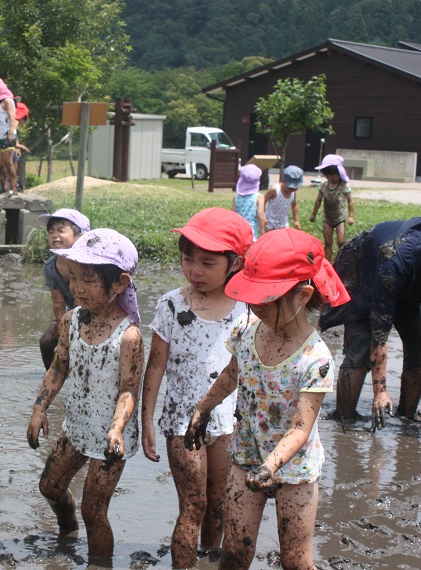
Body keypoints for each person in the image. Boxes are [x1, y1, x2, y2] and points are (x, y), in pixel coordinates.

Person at [184, 228, 350, 570]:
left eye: (266, 299)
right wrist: (203, 408)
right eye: (252, 296)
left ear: (302, 296)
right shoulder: (247, 332)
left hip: (294, 467)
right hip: (247, 455)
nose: (255, 306)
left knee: (295, 560)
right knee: (235, 553)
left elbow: (301, 427)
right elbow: (231, 375)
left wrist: (271, 466)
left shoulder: (314, 359)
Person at [140, 207, 252, 568]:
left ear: (234, 264)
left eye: (207, 263)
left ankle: (206, 557)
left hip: (227, 420)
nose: (194, 271)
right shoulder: (172, 305)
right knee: (194, 504)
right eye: (188, 260)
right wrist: (146, 422)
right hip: (180, 421)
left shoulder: (247, 310)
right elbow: (155, 367)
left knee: (219, 502)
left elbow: (249, 370)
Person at [26, 228, 143, 560]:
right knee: (49, 486)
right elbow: (58, 368)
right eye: (73, 277)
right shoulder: (71, 321)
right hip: (77, 426)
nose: (75, 287)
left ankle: (98, 564)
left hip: (110, 436)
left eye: (87, 279)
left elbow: (128, 390)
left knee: (95, 511)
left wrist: (117, 428)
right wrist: (40, 408)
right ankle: (67, 531)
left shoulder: (128, 335)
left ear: (119, 283)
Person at [320, 218, 421, 427]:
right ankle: (344, 419)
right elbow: (380, 332)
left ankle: (406, 418)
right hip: (363, 271)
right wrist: (380, 391)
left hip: (408, 284)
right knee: (359, 349)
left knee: (418, 350)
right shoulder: (395, 261)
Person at [38, 208, 91, 369]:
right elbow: (58, 303)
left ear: (80, 236)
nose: (55, 235)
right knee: (46, 341)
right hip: (71, 311)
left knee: (82, 343)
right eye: (51, 231)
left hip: (94, 309)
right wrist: (62, 326)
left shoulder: (87, 264)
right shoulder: (51, 267)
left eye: (61, 230)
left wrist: (72, 329)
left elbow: (83, 300)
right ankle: (53, 376)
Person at [309, 154, 354, 261]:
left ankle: (342, 260)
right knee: (328, 242)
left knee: (341, 242)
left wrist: (351, 216)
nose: (332, 178)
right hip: (327, 218)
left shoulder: (343, 185)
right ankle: (327, 263)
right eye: (329, 175)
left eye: (334, 175)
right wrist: (314, 213)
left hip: (340, 218)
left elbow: (350, 201)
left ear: (339, 173)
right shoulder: (324, 186)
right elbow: (318, 200)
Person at [257, 165, 302, 235]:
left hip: (283, 224)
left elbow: (294, 205)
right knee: (269, 241)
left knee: (284, 242)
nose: (291, 190)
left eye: (295, 188)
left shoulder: (293, 193)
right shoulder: (274, 190)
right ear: (283, 181)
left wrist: (296, 220)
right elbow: (263, 201)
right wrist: (263, 217)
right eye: (290, 188)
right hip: (269, 223)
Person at [232, 164, 261, 240]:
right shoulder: (259, 197)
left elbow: (233, 217)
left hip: (238, 235)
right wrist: (263, 232)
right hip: (252, 235)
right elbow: (260, 216)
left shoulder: (236, 198)